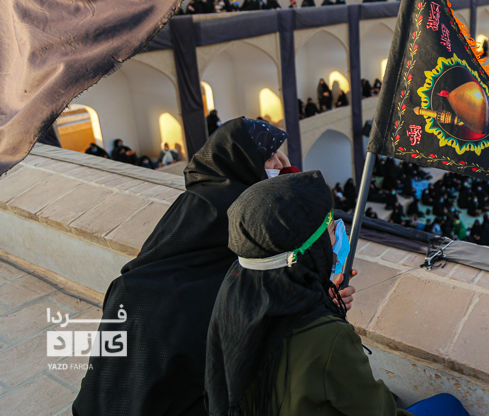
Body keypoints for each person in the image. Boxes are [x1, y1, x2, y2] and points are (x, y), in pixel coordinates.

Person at [74, 119, 346, 416]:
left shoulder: (198, 198)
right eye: (270, 156)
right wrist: (319, 301)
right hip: (177, 353)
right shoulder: (248, 219)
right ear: (243, 163)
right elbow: (259, 298)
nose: (280, 162)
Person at [205, 170, 468, 416]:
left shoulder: (232, 292)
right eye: (331, 230)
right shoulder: (329, 337)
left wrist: (319, 302)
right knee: (448, 405)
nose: (337, 237)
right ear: (311, 248)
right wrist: (327, 320)